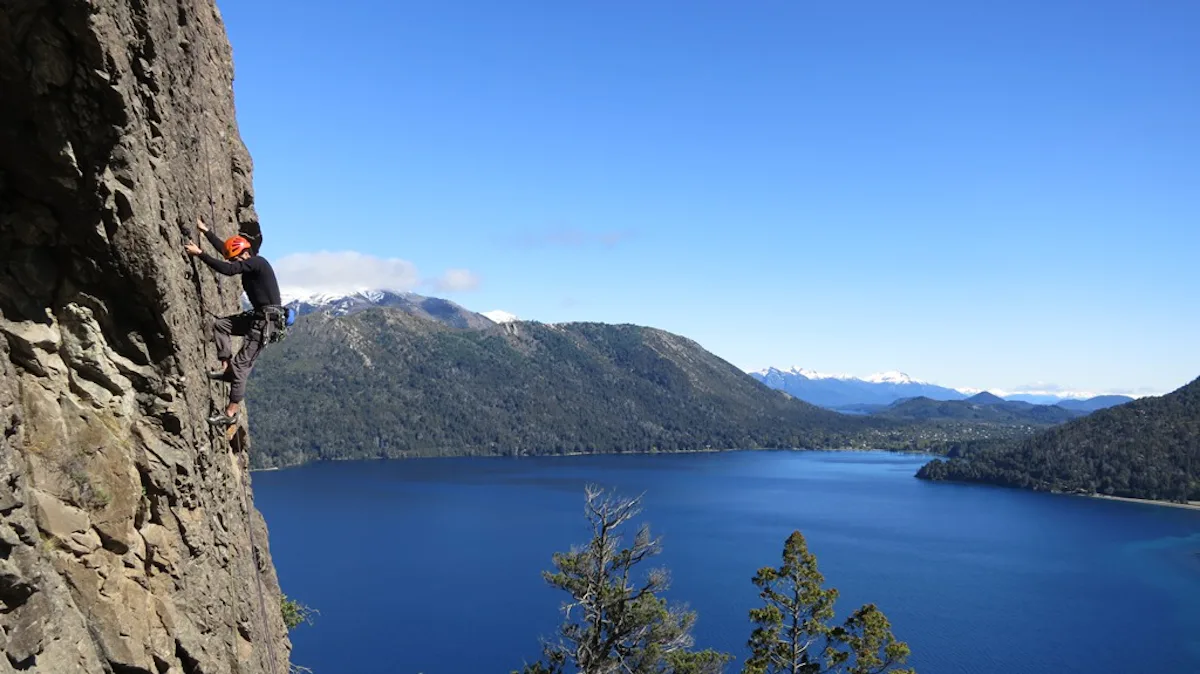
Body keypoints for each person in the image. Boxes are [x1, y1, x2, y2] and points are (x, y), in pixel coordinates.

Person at [184, 217, 284, 428]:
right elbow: (227, 254)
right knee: (221, 325)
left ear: (245, 254)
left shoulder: (257, 262)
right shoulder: (246, 262)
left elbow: (228, 269)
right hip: (258, 317)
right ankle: (226, 367)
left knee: (242, 367)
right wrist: (207, 232)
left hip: (266, 323)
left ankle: (231, 412)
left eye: (237, 259)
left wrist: (200, 254)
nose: (234, 263)